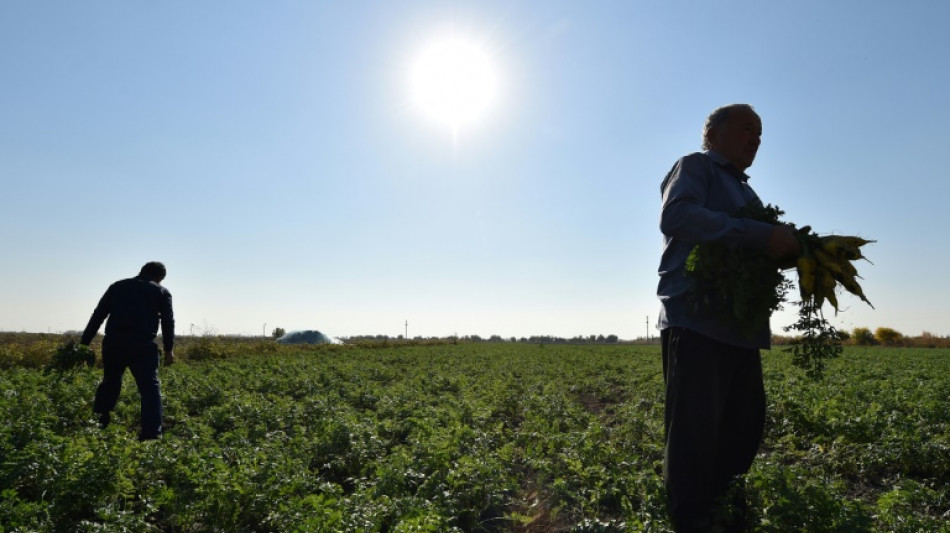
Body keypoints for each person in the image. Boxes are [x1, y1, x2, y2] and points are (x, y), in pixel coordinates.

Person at [656, 104, 800, 532]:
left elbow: (757, 251)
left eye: (760, 134)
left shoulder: (749, 195)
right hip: (697, 318)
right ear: (713, 134)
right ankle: (692, 519)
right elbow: (676, 216)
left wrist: (796, 251)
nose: (755, 138)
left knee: (742, 426)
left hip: (739, 328)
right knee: (694, 432)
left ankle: (724, 510)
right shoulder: (695, 167)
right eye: (747, 128)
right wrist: (760, 235)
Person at [80, 261, 175, 441]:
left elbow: (98, 315)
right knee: (149, 389)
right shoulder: (161, 291)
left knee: (110, 382)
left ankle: (99, 424)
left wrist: (84, 343)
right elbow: (168, 322)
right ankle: (151, 434)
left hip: (114, 343)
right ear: (159, 277)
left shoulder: (118, 286)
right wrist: (169, 349)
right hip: (143, 345)